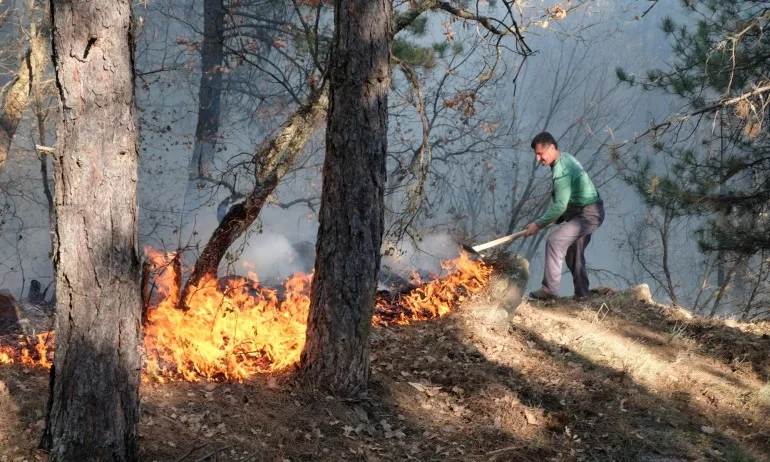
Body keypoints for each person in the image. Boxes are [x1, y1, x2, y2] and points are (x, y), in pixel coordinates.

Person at [523, 132, 604, 300]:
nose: (538, 159)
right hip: (583, 211)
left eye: (540, 154)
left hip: (588, 214)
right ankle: (583, 296)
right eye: (536, 154)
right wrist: (557, 218)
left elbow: (560, 205)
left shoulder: (562, 169)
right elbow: (568, 200)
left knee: (554, 241)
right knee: (574, 252)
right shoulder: (564, 157)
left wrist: (538, 224)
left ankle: (549, 290)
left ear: (552, 148)